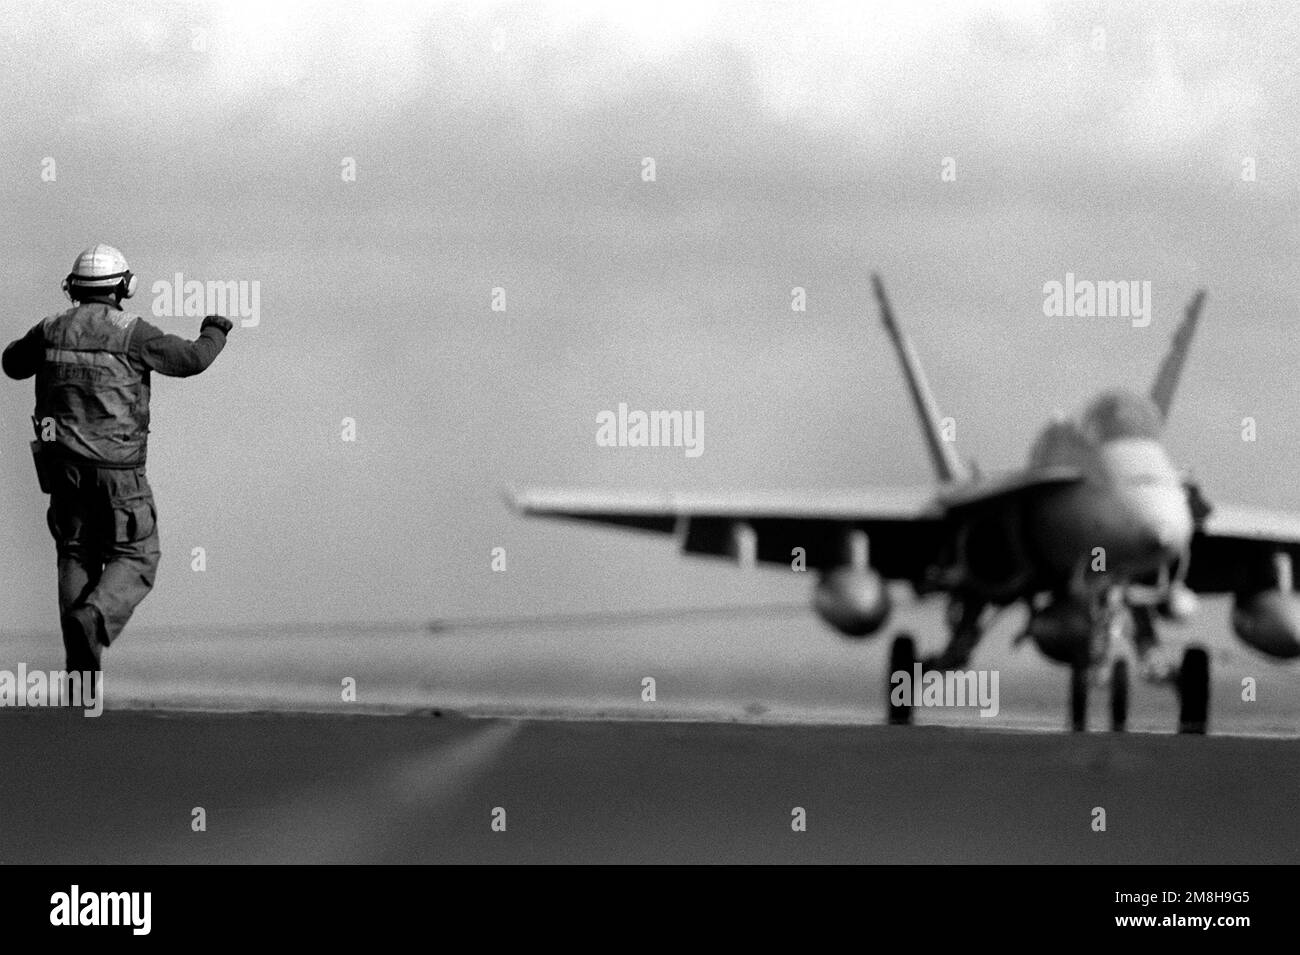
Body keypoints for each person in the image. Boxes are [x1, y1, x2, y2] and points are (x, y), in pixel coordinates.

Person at [2, 244, 233, 672]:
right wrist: (214, 330)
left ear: (72, 287)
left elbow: (12, 364)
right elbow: (193, 360)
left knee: (76, 554)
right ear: (124, 286)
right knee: (137, 554)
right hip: (119, 472)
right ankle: (94, 618)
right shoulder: (134, 333)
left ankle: (81, 679)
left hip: (63, 471)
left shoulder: (50, 329)